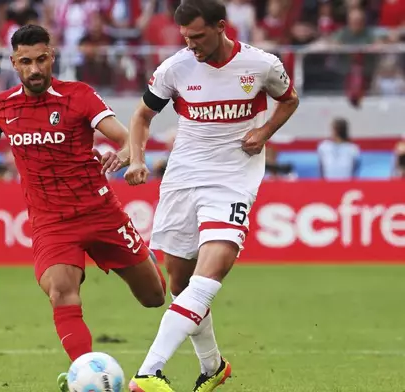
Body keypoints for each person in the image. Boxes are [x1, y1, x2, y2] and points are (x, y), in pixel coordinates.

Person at [0, 24, 166, 392]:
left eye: (41, 59)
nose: (34, 69)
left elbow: (121, 134)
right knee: (61, 291)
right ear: (14, 63)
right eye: (25, 62)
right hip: (51, 223)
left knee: (154, 297)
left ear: (52, 57)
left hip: (101, 213)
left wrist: (130, 156)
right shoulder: (2, 106)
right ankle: (87, 377)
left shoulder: (78, 96)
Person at [123, 0, 299, 391]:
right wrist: (136, 159)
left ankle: (148, 372)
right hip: (184, 178)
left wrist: (265, 131)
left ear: (222, 27)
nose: (192, 45)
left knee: (210, 274)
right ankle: (213, 366)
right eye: (186, 37)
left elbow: (289, 100)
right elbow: (141, 117)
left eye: (199, 37)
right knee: (181, 286)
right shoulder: (176, 68)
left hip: (233, 180)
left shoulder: (261, 65)